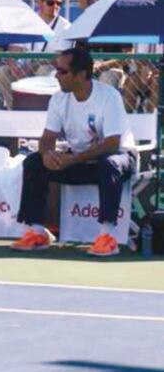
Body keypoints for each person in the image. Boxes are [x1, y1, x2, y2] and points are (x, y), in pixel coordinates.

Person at [10, 47, 137, 257]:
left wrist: (73, 159)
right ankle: (37, 232)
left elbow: (112, 143)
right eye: (57, 70)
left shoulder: (109, 96)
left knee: (109, 163)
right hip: (81, 160)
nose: (57, 76)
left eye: (63, 71)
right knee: (33, 162)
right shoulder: (59, 99)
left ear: (81, 74)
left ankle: (107, 237)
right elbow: (47, 139)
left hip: (120, 157)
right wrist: (47, 155)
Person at [0, 0, 72, 108]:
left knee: (44, 71)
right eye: (51, 3)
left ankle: (41, 109)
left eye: (59, 3)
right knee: (1, 72)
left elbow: (58, 58)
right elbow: (15, 48)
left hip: (49, 69)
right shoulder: (26, 21)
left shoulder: (65, 27)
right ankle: (13, 108)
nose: (55, 6)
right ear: (39, 3)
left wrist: (32, 65)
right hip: (25, 67)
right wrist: (14, 66)